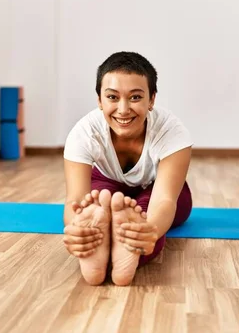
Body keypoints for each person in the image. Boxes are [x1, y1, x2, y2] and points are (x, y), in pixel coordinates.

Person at [62, 51, 193, 286]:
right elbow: (75, 199)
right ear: (99, 100)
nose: (123, 109)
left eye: (135, 97)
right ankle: (102, 244)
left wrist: (149, 230)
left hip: (157, 186)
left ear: (151, 100)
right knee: (96, 203)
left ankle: (123, 247)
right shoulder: (83, 133)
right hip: (107, 183)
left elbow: (164, 200)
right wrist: (77, 229)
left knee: (148, 221)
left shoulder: (172, 131)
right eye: (112, 97)